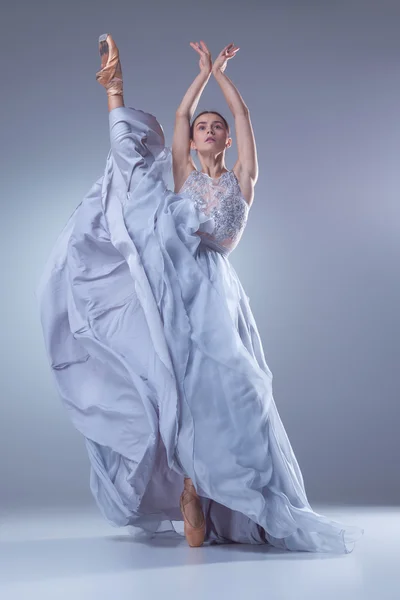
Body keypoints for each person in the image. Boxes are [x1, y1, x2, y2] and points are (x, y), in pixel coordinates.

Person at [36, 33, 364, 552]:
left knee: (240, 394)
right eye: (202, 127)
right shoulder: (183, 174)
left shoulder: (244, 179)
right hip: (177, 288)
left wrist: (222, 77)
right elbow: (178, 119)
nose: (208, 131)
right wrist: (192, 79)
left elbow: (246, 117)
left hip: (219, 295)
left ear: (228, 141)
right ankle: (190, 487)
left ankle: (217, 491)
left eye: (217, 128)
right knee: (182, 391)